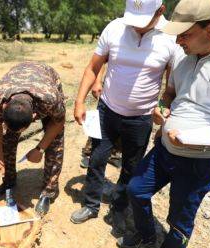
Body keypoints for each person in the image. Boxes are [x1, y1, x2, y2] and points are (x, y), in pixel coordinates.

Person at [117, 0, 210, 248]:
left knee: (180, 218)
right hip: (165, 149)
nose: (178, 41)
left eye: (185, 34)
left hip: (199, 163)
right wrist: (163, 108)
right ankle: (146, 235)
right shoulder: (183, 55)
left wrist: (191, 139)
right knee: (136, 190)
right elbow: (170, 94)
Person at [71, 0, 177, 233]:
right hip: (106, 110)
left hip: (140, 117)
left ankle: (119, 208)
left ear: (161, 11)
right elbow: (93, 67)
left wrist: (162, 107)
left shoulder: (172, 38)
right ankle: (90, 204)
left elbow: (171, 87)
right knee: (97, 158)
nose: (135, 26)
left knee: (131, 166)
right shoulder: (115, 27)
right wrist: (79, 101)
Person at [0, 61, 65, 216]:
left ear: (34, 115)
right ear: (4, 109)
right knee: (7, 140)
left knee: (55, 143)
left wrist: (40, 148)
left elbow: (59, 122)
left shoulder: (50, 98)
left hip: (46, 77)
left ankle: (48, 192)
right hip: (17, 77)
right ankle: (9, 181)